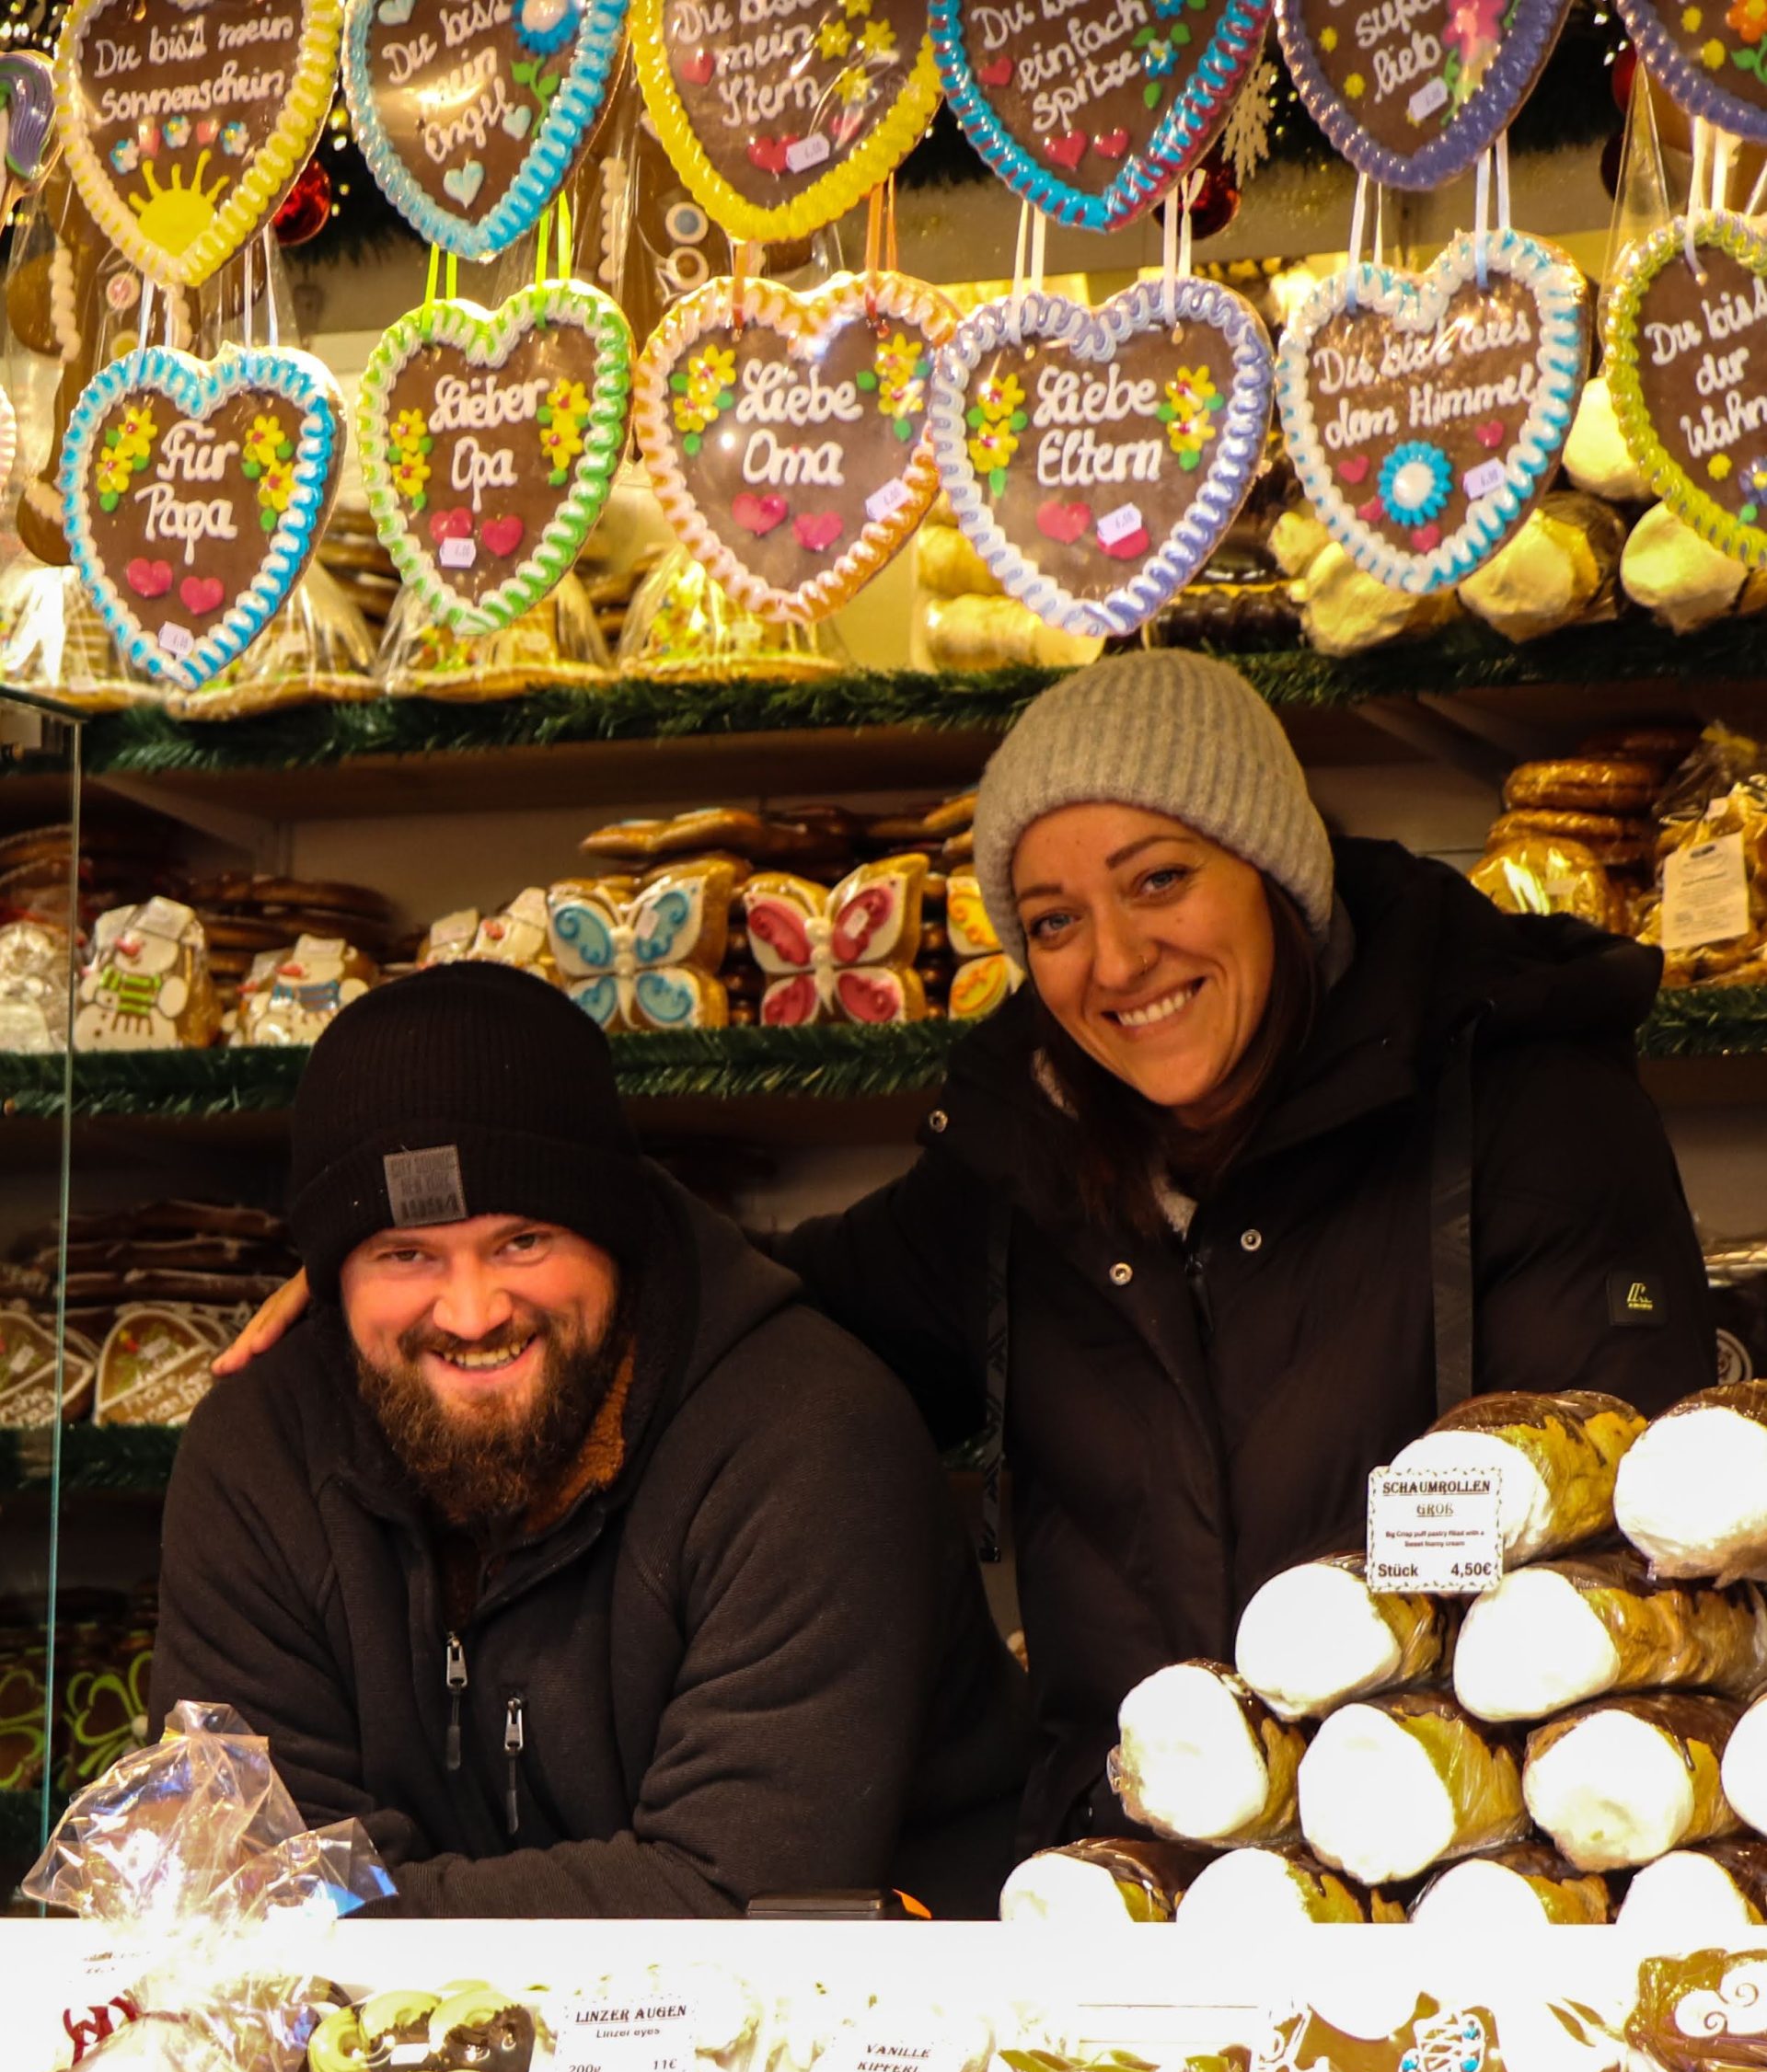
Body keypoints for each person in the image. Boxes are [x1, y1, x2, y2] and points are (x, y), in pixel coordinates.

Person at [216, 652, 1715, 1859]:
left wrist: (456, 1249)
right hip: (1122, 1867)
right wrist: (444, 1256)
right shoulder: (1019, 1175)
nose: (1114, 963)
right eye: (1051, 919)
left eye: (1159, 882)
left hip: (1462, 1862)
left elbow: (1626, 1537)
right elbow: (768, 1307)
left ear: (1274, 868)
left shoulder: (1520, 1111)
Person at [151, 961, 1027, 1917]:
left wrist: (364, 1915)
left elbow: (739, 1904)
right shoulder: (260, 1449)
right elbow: (246, 1873)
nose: (473, 1311)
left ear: (615, 1235)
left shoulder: (809, 1436)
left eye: (522, 1241)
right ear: (331, 1280)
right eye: (405, 1254)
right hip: (383, 2055)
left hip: (868, 2040)